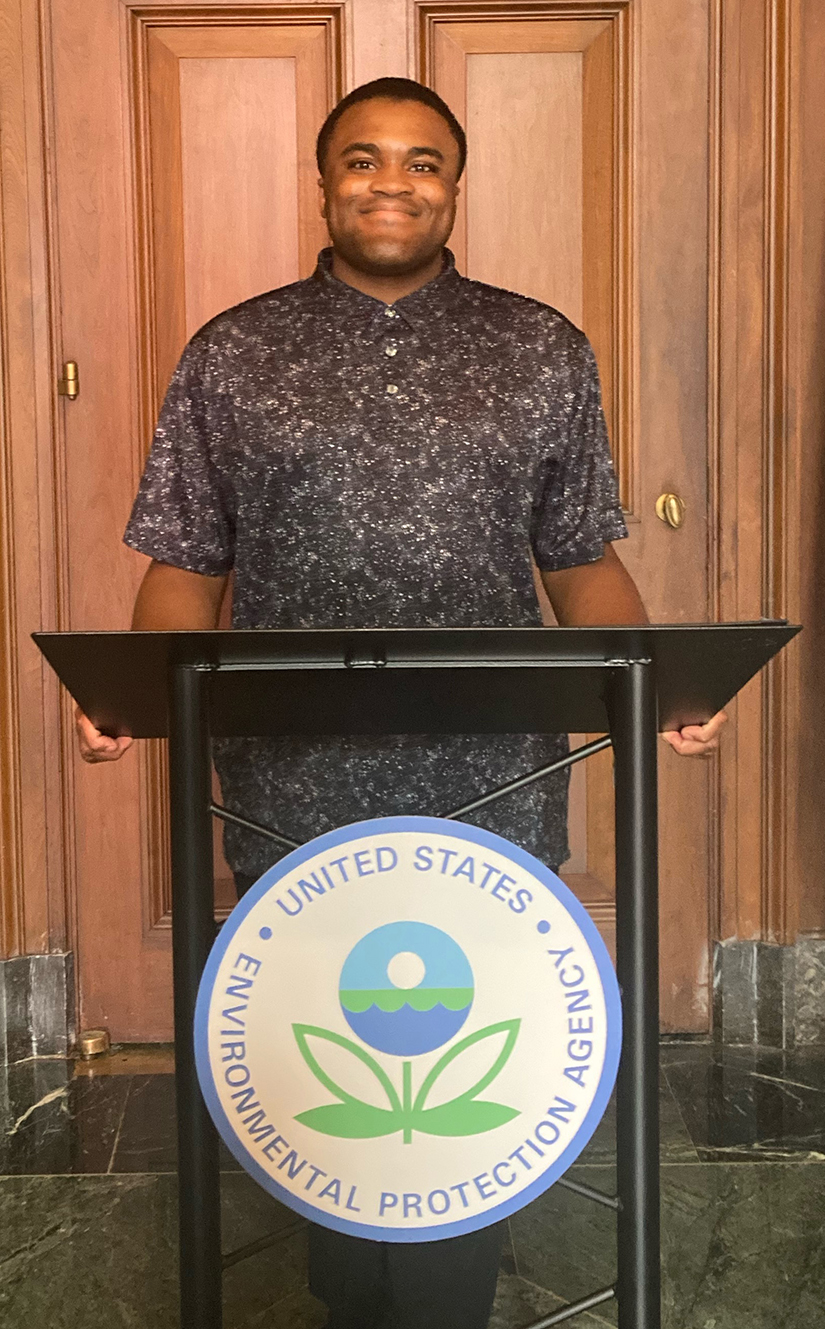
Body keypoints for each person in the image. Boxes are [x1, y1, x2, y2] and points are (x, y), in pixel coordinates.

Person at [76, 78, 726, 1329]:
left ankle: (443, 1295)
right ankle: (347, 1281)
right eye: (363, 159)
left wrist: (664, 689)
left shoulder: (538, 346)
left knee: (469, 1034)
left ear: (454, 186)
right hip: (287, 777)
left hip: (491, 769)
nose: (392, 182)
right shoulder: (236, 349)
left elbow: (580, 556)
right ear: (321, 183)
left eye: (422, 162)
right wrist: (143, 705)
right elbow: (187, 561)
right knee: (321, 1031)